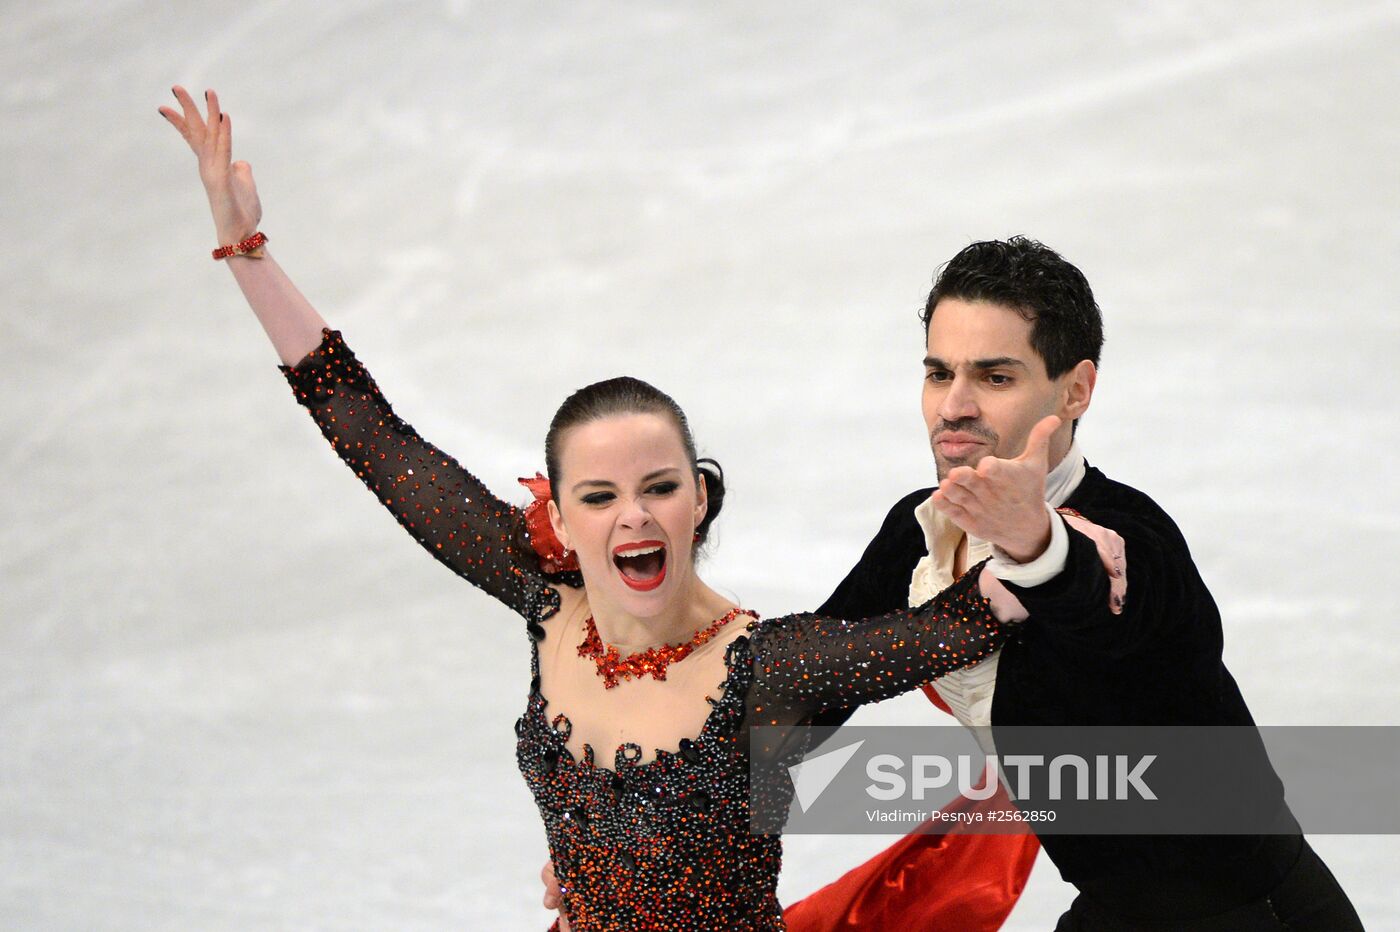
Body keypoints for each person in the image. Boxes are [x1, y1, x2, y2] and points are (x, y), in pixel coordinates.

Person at [159, 89, 1128, 931]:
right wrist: (245, 250)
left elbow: (974, 610)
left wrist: (1053, 535)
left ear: (698, 496)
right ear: (560, 519)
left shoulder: (766, 666)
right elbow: (370, 434)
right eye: (599, 495)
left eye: (659, 486)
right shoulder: (545, 605)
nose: (633, 517)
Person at [816, 237, 1362, 930]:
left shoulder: (1135, 535)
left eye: (994, 377)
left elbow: (1097, 603)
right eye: (937, 372)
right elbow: (811, 684)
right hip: (1117, 910)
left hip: (1255, 913)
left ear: (1074, 390)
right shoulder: (921, 532)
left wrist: (1032, 543)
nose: (953, 405)